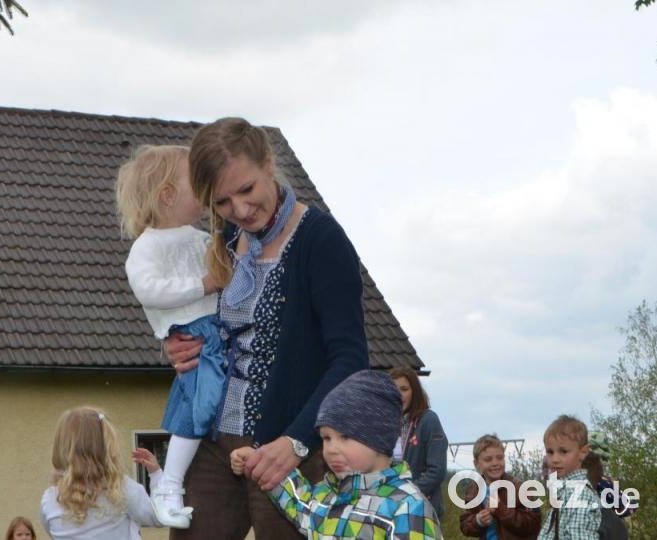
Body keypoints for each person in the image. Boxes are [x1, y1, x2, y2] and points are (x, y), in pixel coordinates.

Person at [164, 116, 369, 539]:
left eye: (247, 190)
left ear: (270, 165)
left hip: (291, 449)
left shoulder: (321, 239)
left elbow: (350, 359)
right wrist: (186, 348)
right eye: (222, 203)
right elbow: (211, 332)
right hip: (216, 440)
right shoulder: (221, 243)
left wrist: (295, 441)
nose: (240, 210)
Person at [114, 144, 224, 528]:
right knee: (205, 403)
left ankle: (172, 480)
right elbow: (149, 290)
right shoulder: (148, 246)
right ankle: (170, 482)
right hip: (193, 331)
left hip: (213, 329)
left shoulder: (199, 236)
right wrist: (204, 284)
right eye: (195, 182)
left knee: (196, 403)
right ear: (167, 195)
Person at [231, 370, 441, 539]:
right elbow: (296, 501)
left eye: (345, 437)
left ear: (379, 437)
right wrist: (258, 458)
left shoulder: (408, 506)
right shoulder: (327, 494)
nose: (331, 449)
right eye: (326, 438)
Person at [40, 406, 165, 539]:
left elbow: (52, 533)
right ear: (108, 445)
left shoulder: (50, 499)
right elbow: (159, 517)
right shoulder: (122, 490)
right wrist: (156, 474)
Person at [389, 366, 448, 517]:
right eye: (394, 389)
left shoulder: (428, 420)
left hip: (422, 509)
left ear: (414, 392)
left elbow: (437, 470)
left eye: (404, 389)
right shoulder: (385, 424)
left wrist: (406, 493)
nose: (399, 395)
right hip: (390, 507)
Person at [460, 434, 541, 540]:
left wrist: (502, 510)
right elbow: (465, 525)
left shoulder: (520, 488)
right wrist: (478, 521)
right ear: (476, 464)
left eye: (499, 458)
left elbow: (533, 524)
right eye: (488, 459)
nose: (495, 463)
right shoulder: (473, 491)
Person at [538, 415, 600, 540]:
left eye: (564, 451)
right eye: (550, 452)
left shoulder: (580, 494)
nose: (555, 459)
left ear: (583, 452)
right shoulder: (566, 491)